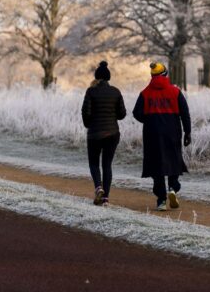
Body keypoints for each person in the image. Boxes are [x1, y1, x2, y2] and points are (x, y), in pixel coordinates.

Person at [133, 61, 191, 211]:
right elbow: (185, 113)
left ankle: (161, 201)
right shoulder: (175, 92)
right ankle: (173, 187)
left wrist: (149, 119)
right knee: (173, 159)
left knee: (156, 165)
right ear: (165, 75)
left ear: (152, 76)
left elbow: (136, 113)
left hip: (152, 133)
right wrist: (187, 132)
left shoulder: (145, 93)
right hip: (172, 132)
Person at [81, 60, 126, 207]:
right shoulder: (116, 92)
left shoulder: (91, 91)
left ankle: (98, 187)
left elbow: (85, 112)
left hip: (94, 134)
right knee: (107, 165)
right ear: (108, 77)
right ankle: (105, 198)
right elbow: (122, 114)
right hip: (112, 133)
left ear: (97, 77)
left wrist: (89, 125)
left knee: (94, 163)